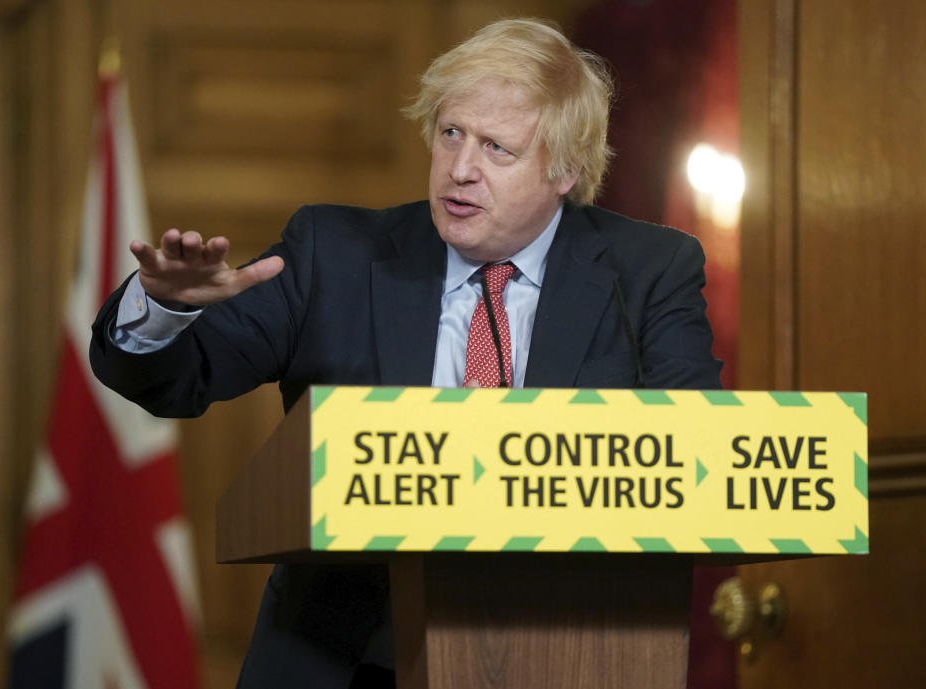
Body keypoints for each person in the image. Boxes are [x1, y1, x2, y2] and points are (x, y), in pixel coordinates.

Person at [90, 17, 721, 689]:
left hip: (572, 656)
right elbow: (180, 378)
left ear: (565, 169)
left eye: (496, 148)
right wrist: (166, 306)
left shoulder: (649, 271)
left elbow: (697, 455)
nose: (461, 168)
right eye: (451, 133)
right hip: (346, 659)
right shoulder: (331, 254)